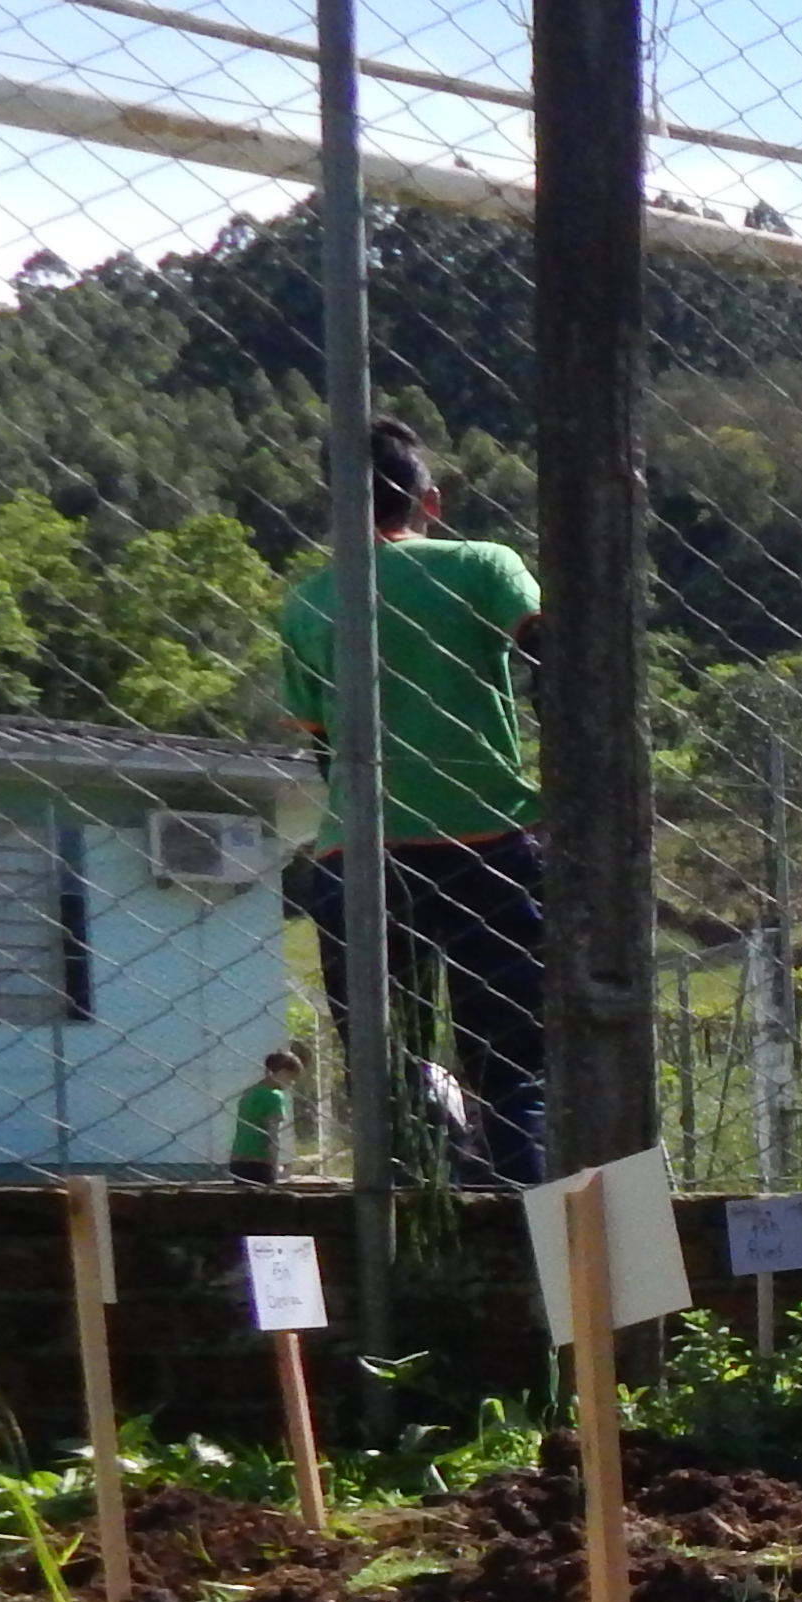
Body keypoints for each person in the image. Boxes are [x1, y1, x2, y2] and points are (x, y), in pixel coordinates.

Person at [276, 416, 547, 1187]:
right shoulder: (482, 564)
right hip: (488, 835)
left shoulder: (308, 605)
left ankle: (407, 1231)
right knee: (515, 1068)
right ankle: (528, 1231)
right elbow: (547, 646)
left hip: (357, 847)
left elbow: (324, 746)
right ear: (430, 499)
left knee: (389, 1071)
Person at [227, 1046, 303, 1183]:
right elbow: (272, 1133)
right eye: (291, 1077)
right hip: (260, 1161)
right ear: (282, 1072)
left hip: (237, 1160)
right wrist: (274, 1165)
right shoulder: (275, 1096)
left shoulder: (249, 1093)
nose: (292, 1083)